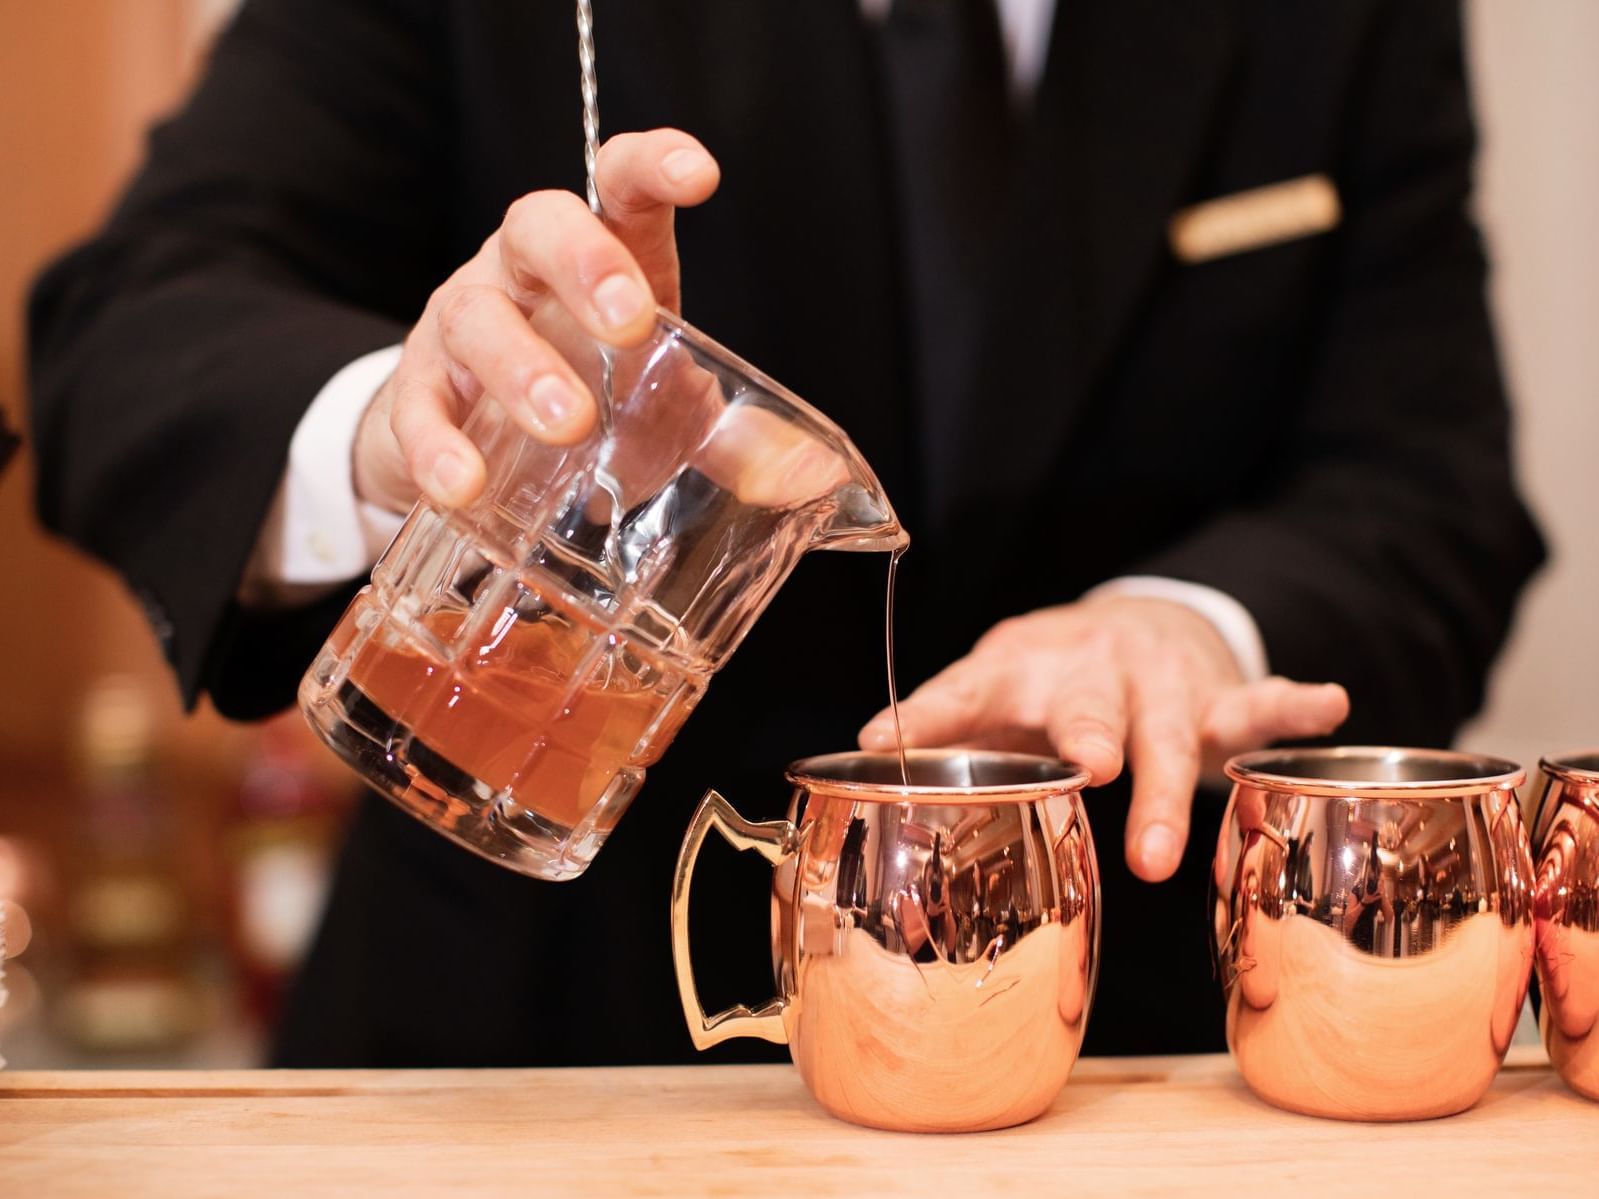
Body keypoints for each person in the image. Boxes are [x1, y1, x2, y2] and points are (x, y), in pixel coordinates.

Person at [27, 0, 1541, 1064]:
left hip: (1111, 1060)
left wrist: (1188, 622)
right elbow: (125, 333)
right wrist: (419, 427)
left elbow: (1430, 481)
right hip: (527, 1053)